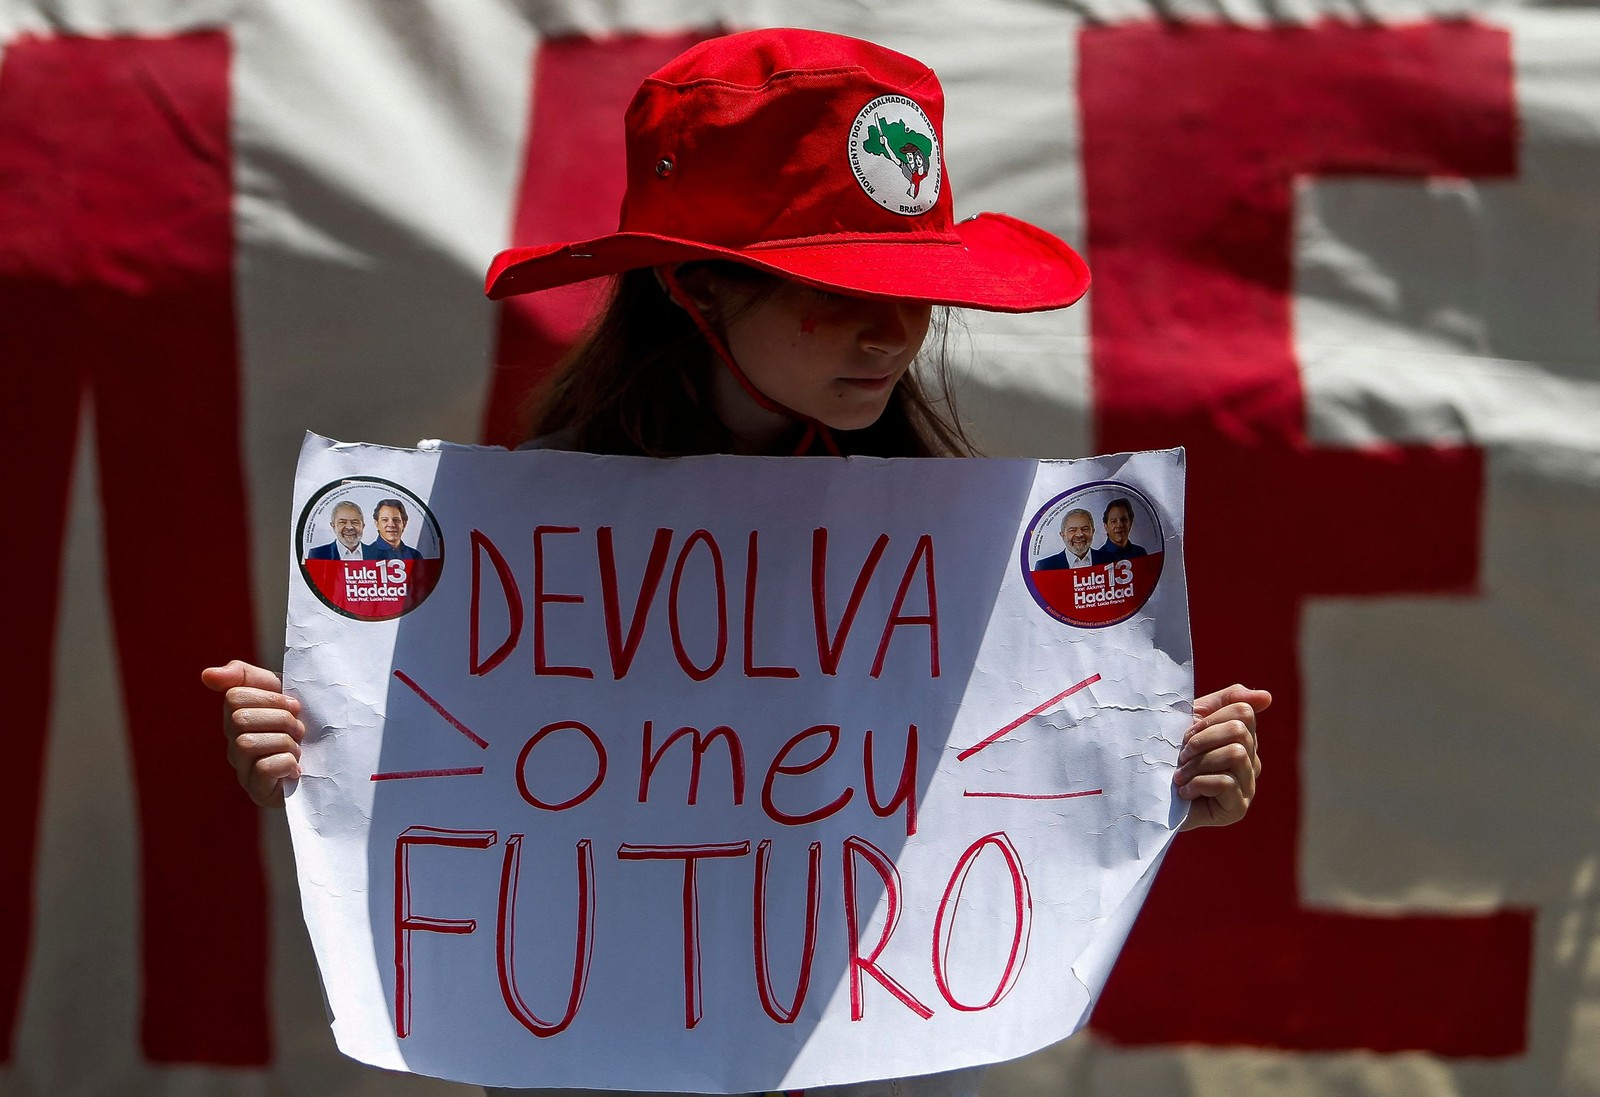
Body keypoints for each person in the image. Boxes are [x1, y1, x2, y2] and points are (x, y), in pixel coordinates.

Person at [202, 27, 1268, 1097]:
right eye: (837, 288)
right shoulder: (513, 539)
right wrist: (307, 755)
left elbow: (1006, 773)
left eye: (916, 286)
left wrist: (1159, 779)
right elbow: (441, 781)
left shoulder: (964, 543)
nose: (894, 335)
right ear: (694, 289)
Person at [304, 500, 386, 560]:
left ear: (363, 526)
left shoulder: (379, 555)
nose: (349, 527)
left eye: (355, 522)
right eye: (342, 522)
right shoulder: (318, 555)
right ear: (333, 526)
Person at [1091, 496, 1148, 564]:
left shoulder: (1140, 553)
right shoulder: (1097, 559)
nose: (1119, 525)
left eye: (1123, 520)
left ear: (1131, 522)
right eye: (1113, 521)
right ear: (1106, 527)